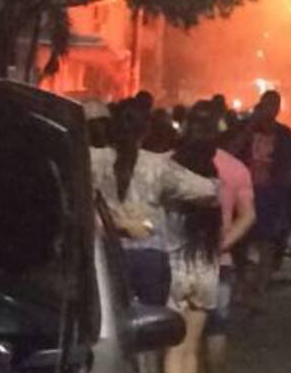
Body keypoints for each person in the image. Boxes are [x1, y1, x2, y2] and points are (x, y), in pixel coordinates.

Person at [91, 103, 219, 309]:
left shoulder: (93, 160)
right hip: (149, 259)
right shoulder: (158, 166)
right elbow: (210, 192)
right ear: (145, 131)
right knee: (151, 331)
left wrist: (116, 222)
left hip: (105, 255)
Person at [164, 105, 224, 373]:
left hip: (174, 263)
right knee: (191, 347)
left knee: (173, 349)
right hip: (205, 265)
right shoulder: (214, 179)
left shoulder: (170, 172)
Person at [228, 90, 291, 299]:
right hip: (245, 191)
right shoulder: (246, 129)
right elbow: (230, 151)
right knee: (241, 239)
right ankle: (240, 280)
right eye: (267, 105)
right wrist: (249, 127)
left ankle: (261, 284)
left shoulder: (284, 134)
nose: (271, 111)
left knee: (267, 240)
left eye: (274, 106)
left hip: (271, 193)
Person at [203, 107, 255, 373]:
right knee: (216, 328)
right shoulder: (235, 168)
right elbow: (248, 216)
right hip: (219, 261)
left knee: (180, 340)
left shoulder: (171, 162)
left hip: (178, 259)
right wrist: (222, 244)